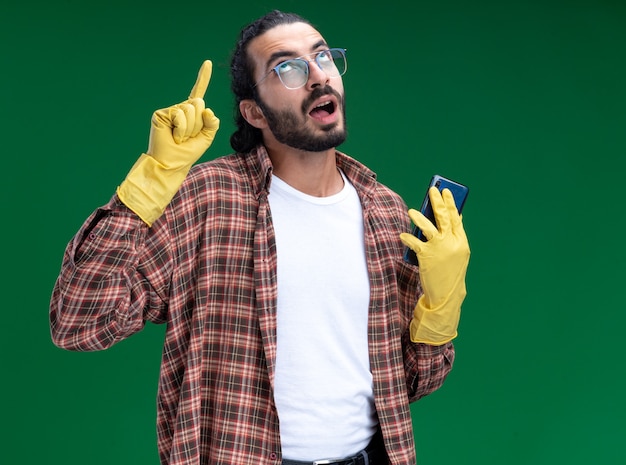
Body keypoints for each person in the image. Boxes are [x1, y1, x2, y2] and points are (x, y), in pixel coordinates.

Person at [49, 9, 470, 465]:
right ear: (254, 112)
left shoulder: (385, 211)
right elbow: (78, 323)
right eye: (287, 67)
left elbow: (411, 384)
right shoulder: (206, 198)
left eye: (323, 57)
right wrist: (148, 185)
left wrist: (440, 310)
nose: (316, 76)